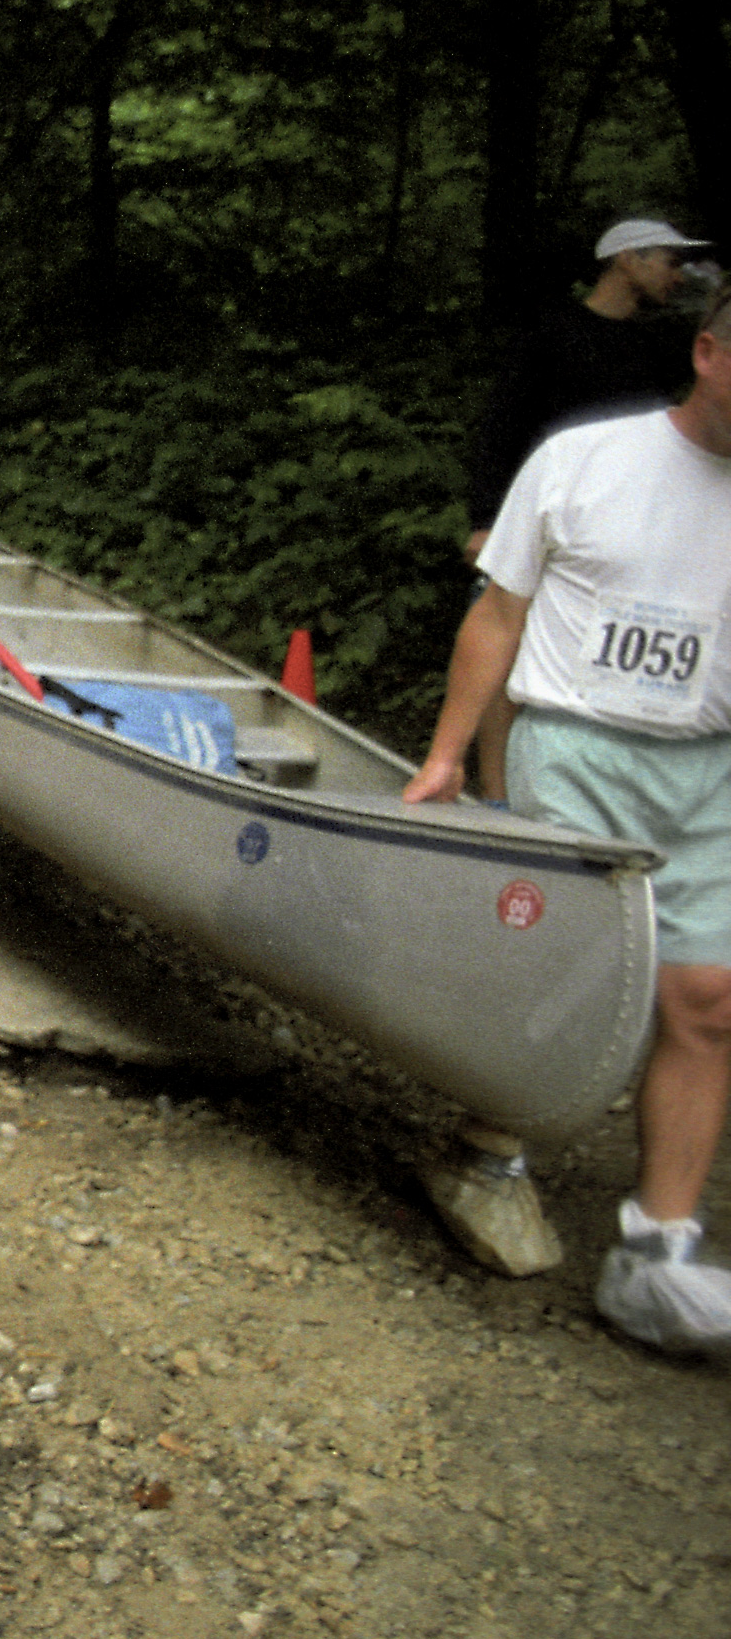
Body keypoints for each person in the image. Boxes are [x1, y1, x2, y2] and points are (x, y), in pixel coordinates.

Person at [402, 300, 731, 1352]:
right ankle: (487, 1149)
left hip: (708, 764)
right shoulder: (583, 459)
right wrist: (450, 755)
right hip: (577, 743)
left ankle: (657, 1250)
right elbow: (499, 614)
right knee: (569, 971)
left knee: (708, 999)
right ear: (709, 352)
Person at [459, 218, 707, 802]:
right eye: (670, 261)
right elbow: (500, 425)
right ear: (628, 259)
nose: (678, 275)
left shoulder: (657, 346)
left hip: (617, 529)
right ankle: (498, 794)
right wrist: (485, 520)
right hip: (537, 514)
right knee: (504, 643)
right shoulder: (552, 330)